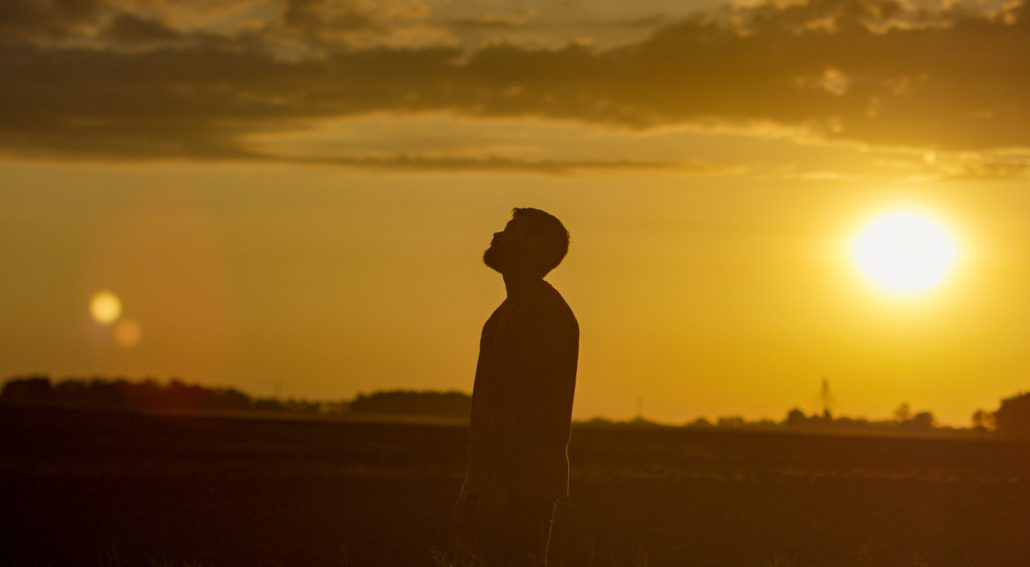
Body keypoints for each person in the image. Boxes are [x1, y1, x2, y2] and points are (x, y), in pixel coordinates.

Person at [454, 208, 579, 567]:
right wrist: (474, 485)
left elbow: (535, 409)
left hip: (521, 489)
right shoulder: (507, 312)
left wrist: (498, 485)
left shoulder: (544, 315)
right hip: (500, 485)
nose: (497, 235)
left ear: (534, 245)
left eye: (511, 230)